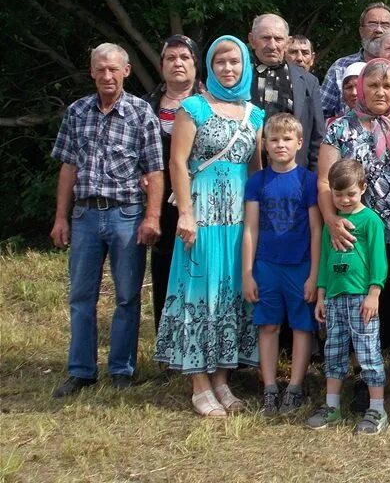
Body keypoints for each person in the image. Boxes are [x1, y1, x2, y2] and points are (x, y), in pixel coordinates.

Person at [154, 35, 265, 417]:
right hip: (202, 215)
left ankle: (221, 378)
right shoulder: (193, 108)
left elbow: (256, 170)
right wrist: (185, 212)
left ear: (245, 65)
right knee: (198, 293)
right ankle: (198, 383)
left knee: (230, 294)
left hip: (238, 218)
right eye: (220, 61)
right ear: (210, 66)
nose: (227, 68)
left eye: (234, 61)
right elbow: (177, 163)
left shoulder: (255, 115)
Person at [317, 59, 390, 417]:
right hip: (359, 237)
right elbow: (324, 181)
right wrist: (331, 222)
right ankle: (362, 379)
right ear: (360, 89)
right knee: (362, 311)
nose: (380, 93)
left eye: (387, 86)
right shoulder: (340, 130)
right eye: (373, 86)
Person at [50, 43, 164, 398]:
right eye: (100, 69)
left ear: (126, 71)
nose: (107, 75)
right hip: (84, 214)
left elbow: (155, 170)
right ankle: (82, 371)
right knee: (81, 296)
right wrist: (60, 218)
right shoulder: (77, 111)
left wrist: (152, 217)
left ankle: (121, 369)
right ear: (92, 73)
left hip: (126, 215)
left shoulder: (141, 113)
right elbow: (68, 166)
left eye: (113, 69)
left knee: (127, 296)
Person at [241, 112, 321, 417]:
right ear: (264, 145)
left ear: (299, 142)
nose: (280, 145)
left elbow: (316, 230)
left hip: (300, 265)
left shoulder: (308, 180)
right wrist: (248, 273)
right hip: (266, 266)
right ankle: (271, 387)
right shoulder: (257, 181)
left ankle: (296, 386)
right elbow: (250, 229)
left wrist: (314, 274)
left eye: (287, 139)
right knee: (268, 325)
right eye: (273, 139)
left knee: (302, 327)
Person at [306, 159, 389, 434]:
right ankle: (332, 406)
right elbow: (325, 259)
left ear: (363, 188)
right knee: (334, 352)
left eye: (350, 193)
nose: (344, 200)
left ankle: (377, 410)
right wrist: (321, 294)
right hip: (334, 299)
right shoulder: (333, 224)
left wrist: (374, 293)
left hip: (361, 300)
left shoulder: (370, 221)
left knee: (367, 353)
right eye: (338, 194)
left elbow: (379, 260)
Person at [144, 35, 203, 337]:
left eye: (184, 57)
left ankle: (197, 341)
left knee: (197, 268)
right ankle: (165, 343)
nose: (177, 63)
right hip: (157, 201)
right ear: (161, 64)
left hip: (199, 198)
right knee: (164, 267)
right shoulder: (145, 107)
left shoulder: (209, 103)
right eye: (171, 58)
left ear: (195, 64)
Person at [320, 2, 390, 118]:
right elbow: (320, 114)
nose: (378, 30)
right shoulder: (340, 67)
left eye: (385, 25)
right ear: (361, 31)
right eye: (372, 24)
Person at [249, 14, 325, 169]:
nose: (272, 45)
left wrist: (312, 178)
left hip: (295, 175)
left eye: (278, 39)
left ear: (287, 42)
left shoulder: (308, 81)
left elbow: (317, 136)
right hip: (246, 174)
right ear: (252, 40)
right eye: (265, 38)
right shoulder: (239, 77)